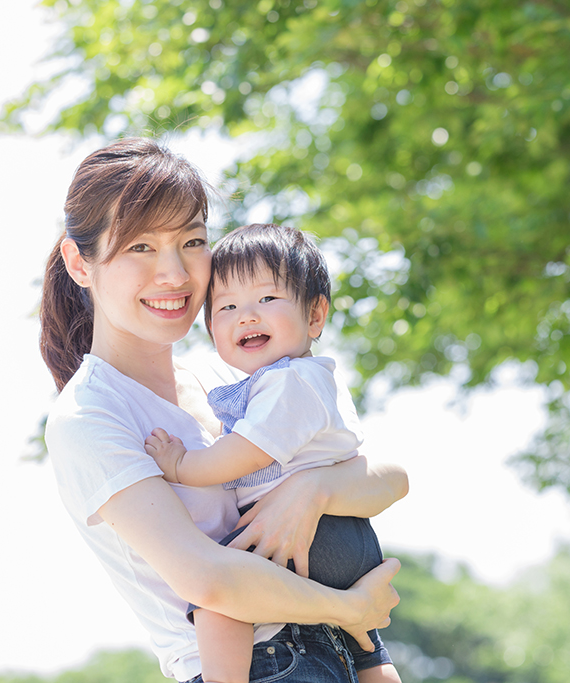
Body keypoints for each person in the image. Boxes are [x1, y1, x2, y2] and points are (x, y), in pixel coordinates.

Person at [41, 137, 408, 683]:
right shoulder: (90, 416)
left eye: (192, 241)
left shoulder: (234, 374)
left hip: (338, 654)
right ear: (80, 263)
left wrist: (313, 491)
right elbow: (207, 579)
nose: (175, 273)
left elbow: (391, 479)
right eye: (141, 246)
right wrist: (349, 609)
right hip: (259, 666)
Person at [145, 223, 401, 683]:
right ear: (210, 328)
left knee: (219, 597)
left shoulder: (290, 381)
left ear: (315, 316)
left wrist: (183, 465)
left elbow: (246, 453)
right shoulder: (303, 380)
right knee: (365, 647)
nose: (246, 316)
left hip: (312, 537)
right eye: (227, 307)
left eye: (267, 298)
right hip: (344, 537)